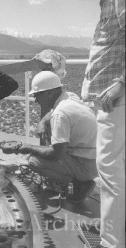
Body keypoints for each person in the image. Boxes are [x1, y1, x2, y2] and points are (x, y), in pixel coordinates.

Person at [81, 0, 125, 247]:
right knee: (118, 169)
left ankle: (111, 242)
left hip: (115, 100)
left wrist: (121, 82)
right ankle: (116, 230)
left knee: (109, 171)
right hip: (113, 98)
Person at [17, 71, 98, 202]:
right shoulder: (69, 97)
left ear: (49, 93)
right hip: (94, 159)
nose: (35, 99)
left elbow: (56, 154)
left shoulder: (60, 114)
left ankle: (80, 183)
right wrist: (43, 121)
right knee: (43, 145)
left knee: (33, 161)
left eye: (37, 95)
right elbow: (53, 113)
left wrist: (30, 147)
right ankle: (77, 179)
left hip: (86, 166)